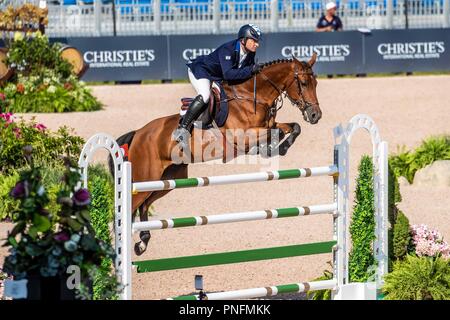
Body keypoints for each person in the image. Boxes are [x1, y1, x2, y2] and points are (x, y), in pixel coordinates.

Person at [172, 24, 263, 150]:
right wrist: (251, 70)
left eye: (258, 41)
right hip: (201, 70)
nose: (257, 44)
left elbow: (245, 75)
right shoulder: (228, 50)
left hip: (217, 77)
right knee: (205, 95)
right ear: (243, 40)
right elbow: (229, 74)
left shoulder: (250, 53)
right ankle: (182, 129)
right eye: (254, 41)